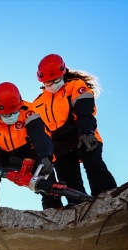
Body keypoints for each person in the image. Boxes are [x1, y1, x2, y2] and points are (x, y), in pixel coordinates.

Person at [31, 53, 117, 204]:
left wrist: (87, 131)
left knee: (93, 162)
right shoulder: (38, 103)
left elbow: (85, 110)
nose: (52, 84)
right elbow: (39, 132)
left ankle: (107, 195)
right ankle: (78, 206)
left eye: (55, 80)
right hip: (59, 144)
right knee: (67, 177)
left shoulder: (75, 86)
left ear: (63, 74)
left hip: (81, 132)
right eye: (47, 82)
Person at [0, 82, 63, 210]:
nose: (12, 117)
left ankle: (54, 207)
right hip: (2, 156)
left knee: (45, 168)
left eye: (14, 112)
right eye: (7, 115)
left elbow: (38, 135)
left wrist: (46, 156)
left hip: (26, 151)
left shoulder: (28, 110)